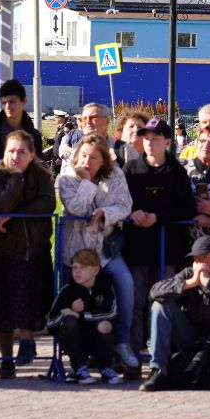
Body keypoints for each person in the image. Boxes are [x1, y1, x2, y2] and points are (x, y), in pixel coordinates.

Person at [56, 132, 136, 374]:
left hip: (104, 251)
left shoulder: (115, 175)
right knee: (75, 301)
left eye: (93, 158)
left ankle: (121, 342)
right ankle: (79, 358)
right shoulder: (67, 177)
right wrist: (87, 181)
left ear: (103, 160)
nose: (87, 161)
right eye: (83, 156)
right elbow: (75, 207)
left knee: (126, 283)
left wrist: (104, 212)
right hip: (76, 252)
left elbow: (125, 205)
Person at [0, 130, 54, 380]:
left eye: (22, 152)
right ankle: (6, 359)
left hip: (33, 248)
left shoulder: (42, 174)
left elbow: (47, 204)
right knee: (1, 308)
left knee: (28, 300)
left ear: (32, 154)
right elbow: (0, 204)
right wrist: (17, 179)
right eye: (11, 151)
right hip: (2, 249)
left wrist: (17, 213)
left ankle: (28, 341)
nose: (15, 156)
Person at [121, 117, 197, 353]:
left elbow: (186, 208)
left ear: (167, 142)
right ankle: (132, 351)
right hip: (136, 247)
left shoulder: (176, 171)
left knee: (161, 300)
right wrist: (134, 213)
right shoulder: (131, 169)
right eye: (146, 138)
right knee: (135, 300)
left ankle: (159, 352)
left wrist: (158, 217)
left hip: (167, 248)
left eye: (155, 139)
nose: (150, 143)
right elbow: (121, 201)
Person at [140, 234, 210, 393]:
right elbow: (154, 292)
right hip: (191, 338)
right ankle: (158, 371)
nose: (199, 262)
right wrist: (189, 284)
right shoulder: (188, 273)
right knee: (160, 305)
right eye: (196, 258)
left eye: (204, 257)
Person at [47, 248, 121, 385]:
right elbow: (50, 322)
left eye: (82, 267)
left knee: (105, 325)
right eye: (74, 267)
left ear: (95, 270)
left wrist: (80, 314)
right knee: (69, 321)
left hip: (97, 339)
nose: (77, 271)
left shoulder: (105, 287)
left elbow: (111, 313)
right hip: (74, 342)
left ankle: (105, 367)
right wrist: (68, 312)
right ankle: (79, 368)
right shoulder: (67, 290)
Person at [0, 79, 43, 160]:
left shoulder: (34, 136)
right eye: (4, 103)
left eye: (12, 101)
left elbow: (38, 167)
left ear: (24, 101)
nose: (7, 106)